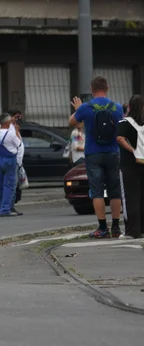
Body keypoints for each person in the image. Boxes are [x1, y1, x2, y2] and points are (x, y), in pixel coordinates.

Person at [70, 76, 124, 239]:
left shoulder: (86, 107)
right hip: (113, 152)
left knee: (97, 191)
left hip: (93, 153)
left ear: (92, 89)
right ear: (107, 87)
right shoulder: (117, 108)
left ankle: (102, 228)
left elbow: (72, 122)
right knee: (115, 191)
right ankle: (116, 227)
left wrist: (78, 109)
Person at [117, 94, 144, 239]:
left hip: (129, 165)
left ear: (130, 107)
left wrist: (132, 150)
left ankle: (131, 231)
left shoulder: (124, 123)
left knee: (129, 197)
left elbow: (119, 138)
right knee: (142, 197)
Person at [0, 113, 22, 217]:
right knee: (9, 185)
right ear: (7, 122)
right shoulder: (10, 133)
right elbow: (18, 144)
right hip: (9, 160)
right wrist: (17, 131)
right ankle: (5, 209)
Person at [8, 109, 25, 215]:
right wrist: (16, 131)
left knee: (15, 185)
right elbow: (16, 143)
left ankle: (11, 205)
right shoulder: (10, 129)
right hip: (13, 161)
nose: (18, 120)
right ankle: (10, 206)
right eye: (16, 117)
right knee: (12, 185)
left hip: (18, 161)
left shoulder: (15, 129)